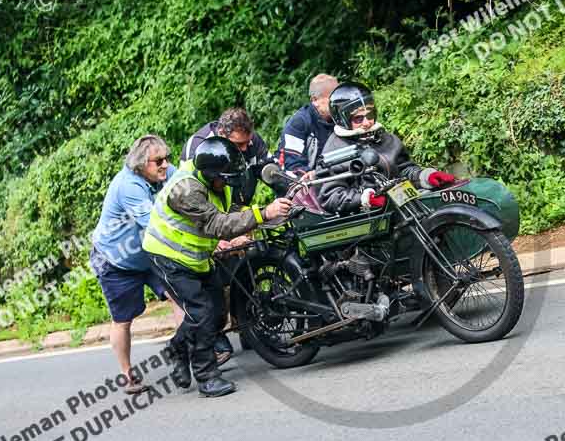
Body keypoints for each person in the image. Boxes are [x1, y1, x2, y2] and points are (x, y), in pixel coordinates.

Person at [143, 136, 292, 398]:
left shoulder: (215, 176)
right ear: (211, 174)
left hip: (196, 256)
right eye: (225, 178)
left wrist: (260, 218)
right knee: (201, 314)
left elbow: (231, 210)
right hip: (168, 256)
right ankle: (207, 377)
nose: (228, 182)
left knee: (218, 313)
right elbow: (217, 225)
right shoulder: (186, 191)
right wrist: (262, 214)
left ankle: (177, 347)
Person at [90, 134, 185, 394]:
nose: (166, 164)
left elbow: (186, 182)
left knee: (179, 295)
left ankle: (184, 352)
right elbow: (157, 226)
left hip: (148, 253)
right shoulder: (128, 186)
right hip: (116, 260)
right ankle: (127, 375)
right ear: (142, 165)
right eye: (158, 161)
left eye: (167, 158)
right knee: (123, 319)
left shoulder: (163, 172)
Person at [317, 82, 457, 214]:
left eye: (370, 115)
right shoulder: (333, 152)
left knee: (442, 203)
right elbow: (330, 196)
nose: (367, 123)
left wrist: (426, 176)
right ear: (343, 119)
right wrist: (365, 198)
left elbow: (404, 169)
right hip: (369, 216)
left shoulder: (384, 137)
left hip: (398, 201)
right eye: (358, 118)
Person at [181, 107, 275, 203]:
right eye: (239, 144)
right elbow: (193, 195)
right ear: (221, 134)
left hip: (240, 206)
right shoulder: (200, 148)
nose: (245, 148)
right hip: (207, 210)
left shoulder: (248, 138)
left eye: (248, 142)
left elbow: (271, 170)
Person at [277, 74, 339, 174]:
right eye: (331, 99)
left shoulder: (341, 118)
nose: (337, 103)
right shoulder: (298, 123)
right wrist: (314, 174)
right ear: (315, 100)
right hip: (305, 183)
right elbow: (292, 166)